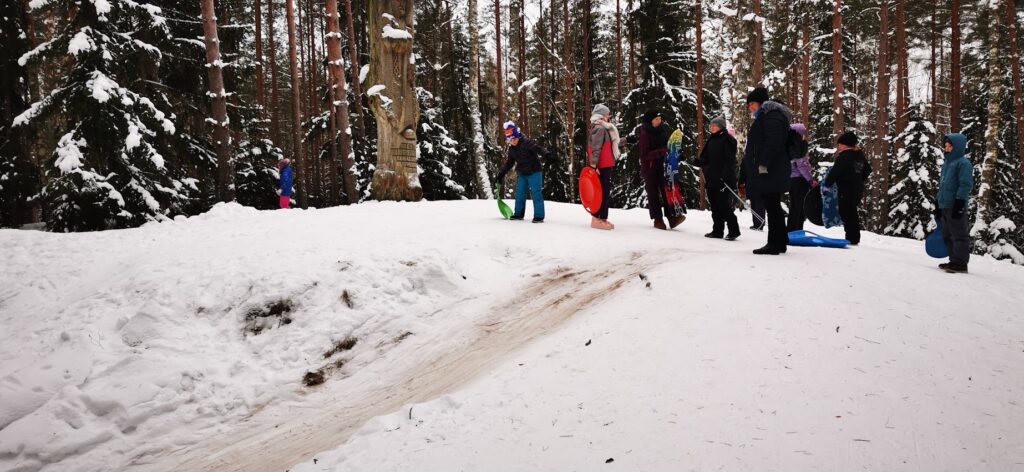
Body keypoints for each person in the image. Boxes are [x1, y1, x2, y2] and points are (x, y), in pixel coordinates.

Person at [742, 87, 793, 255]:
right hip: (771, 169)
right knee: (773, 205)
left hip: (771, 169)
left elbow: (773, 142)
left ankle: (774, 243)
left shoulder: (771, 116)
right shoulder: (768, 116)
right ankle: (780, 241)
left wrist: (763, 163)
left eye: (753, 103)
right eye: (749, 104)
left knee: (772, 205)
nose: (751, 107)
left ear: (762, 103)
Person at [637, 109, 685, 230]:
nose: (659, 121)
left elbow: (669, 145)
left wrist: (676, 153)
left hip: (663, 165)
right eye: (657, 119)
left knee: (666, 191)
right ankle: (657, 219)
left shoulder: (662, 130)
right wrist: (661, 152)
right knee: (653, 194)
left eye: (660, 118)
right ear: (650, 120)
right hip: (650, 167)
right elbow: (645, 154)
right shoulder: (644, 133)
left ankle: (672, 218)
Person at [694, 115, 740, 240]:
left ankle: (734, 230)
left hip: (723, 179)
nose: (712, 127)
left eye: (715, 125)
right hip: (712, 178)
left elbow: (729, 161)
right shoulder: (711, 140)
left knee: (724, 205)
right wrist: (698, 162)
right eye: (711, 125)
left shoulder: (727, 139)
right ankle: (717, 231)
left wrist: (724, 176)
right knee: (714, 206)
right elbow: (706, 158)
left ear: (721, 127)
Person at [934, 133, 973, 273]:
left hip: (955, 204)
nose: (947, 148)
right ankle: (953, 260)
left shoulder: (963, 163)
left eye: (950, 146)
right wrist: (938, 203)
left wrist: (959, 202)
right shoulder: (946, 164)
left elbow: (965, 184)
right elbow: (942, 186)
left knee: (959, 235)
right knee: (947, 234)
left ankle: (960, 263)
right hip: (945, 204)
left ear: (958, 147)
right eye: (946, 146)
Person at [824, 131, 872, 245]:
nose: (838, 146)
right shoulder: (859, 155)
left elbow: (835, 172)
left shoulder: (844, 156)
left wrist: (827, 184)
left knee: (846, 212)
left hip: (845, 188)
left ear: (845, 144)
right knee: (852, 212)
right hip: (857, 189)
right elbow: (867, 170)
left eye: (839, 144)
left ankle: (851, 238)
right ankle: (854, 237)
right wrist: (858, 179)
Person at [496, 122, 550, 223]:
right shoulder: (512, 150)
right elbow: (509, 163)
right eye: (510, 140)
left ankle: (539, 216)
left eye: (514, 139)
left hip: (535, 171)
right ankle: (518, 214)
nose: (512, 141)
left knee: (536, 193)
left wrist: (547, 155)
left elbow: (538, 149)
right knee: (520, 194)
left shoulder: (527, 143)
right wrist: (501, 173)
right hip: (523, 173)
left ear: (517, 136)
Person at [587, 104, 619, 230]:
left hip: (605, 164)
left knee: (605, 192)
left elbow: (610, 144)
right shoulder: (599, 128)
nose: (608, 116)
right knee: (601, 193)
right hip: (601, 166)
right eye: (607, 114)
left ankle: (602, 218)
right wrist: (593, 166)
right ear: (601, 115)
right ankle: (596, 218)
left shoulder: (604, 128)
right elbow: (596, 148)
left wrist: (627, 140)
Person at [787, 123, 817, 231]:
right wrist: (810, 179)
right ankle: (797, 230)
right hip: (800, 180)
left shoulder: (788, 144)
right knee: (799, 206)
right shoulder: (798, 145)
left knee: (793, 205)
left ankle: (790, 229)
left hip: (790, 179)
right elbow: (801, 165)